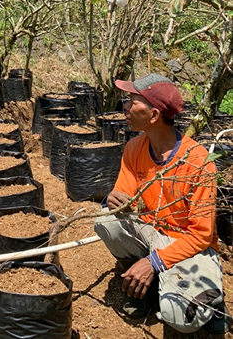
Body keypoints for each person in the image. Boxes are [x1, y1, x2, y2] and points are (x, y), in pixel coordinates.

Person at [94, 73, 229, 334]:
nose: (124, 107)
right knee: (106, 223)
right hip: (153, 231)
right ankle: (145, 287)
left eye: (132, 102)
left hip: (189, 246)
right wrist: (111, 202)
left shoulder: (198, 162)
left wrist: (154, 262)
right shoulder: (134, 148)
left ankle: (210, 298)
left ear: (154, 115)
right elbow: (123, 199)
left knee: (179, 317)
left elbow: (201, 236)